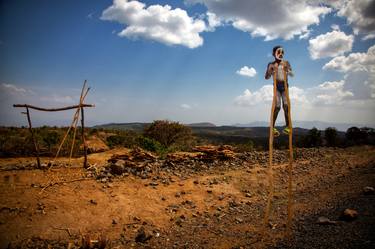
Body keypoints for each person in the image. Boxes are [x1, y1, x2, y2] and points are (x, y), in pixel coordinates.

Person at [265, 45, 294, 136]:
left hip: (285, 86)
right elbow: (266, 77)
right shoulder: (271, 64)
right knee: (277, 106)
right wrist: (270, 70)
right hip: (276, 87)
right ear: (274, 53)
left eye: (282, 52)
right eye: (278, 52)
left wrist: (288, 71)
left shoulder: (286, 63)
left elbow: (292, 75)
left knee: (286, 105)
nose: (281, 54)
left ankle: (288, 127)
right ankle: (272, 128)